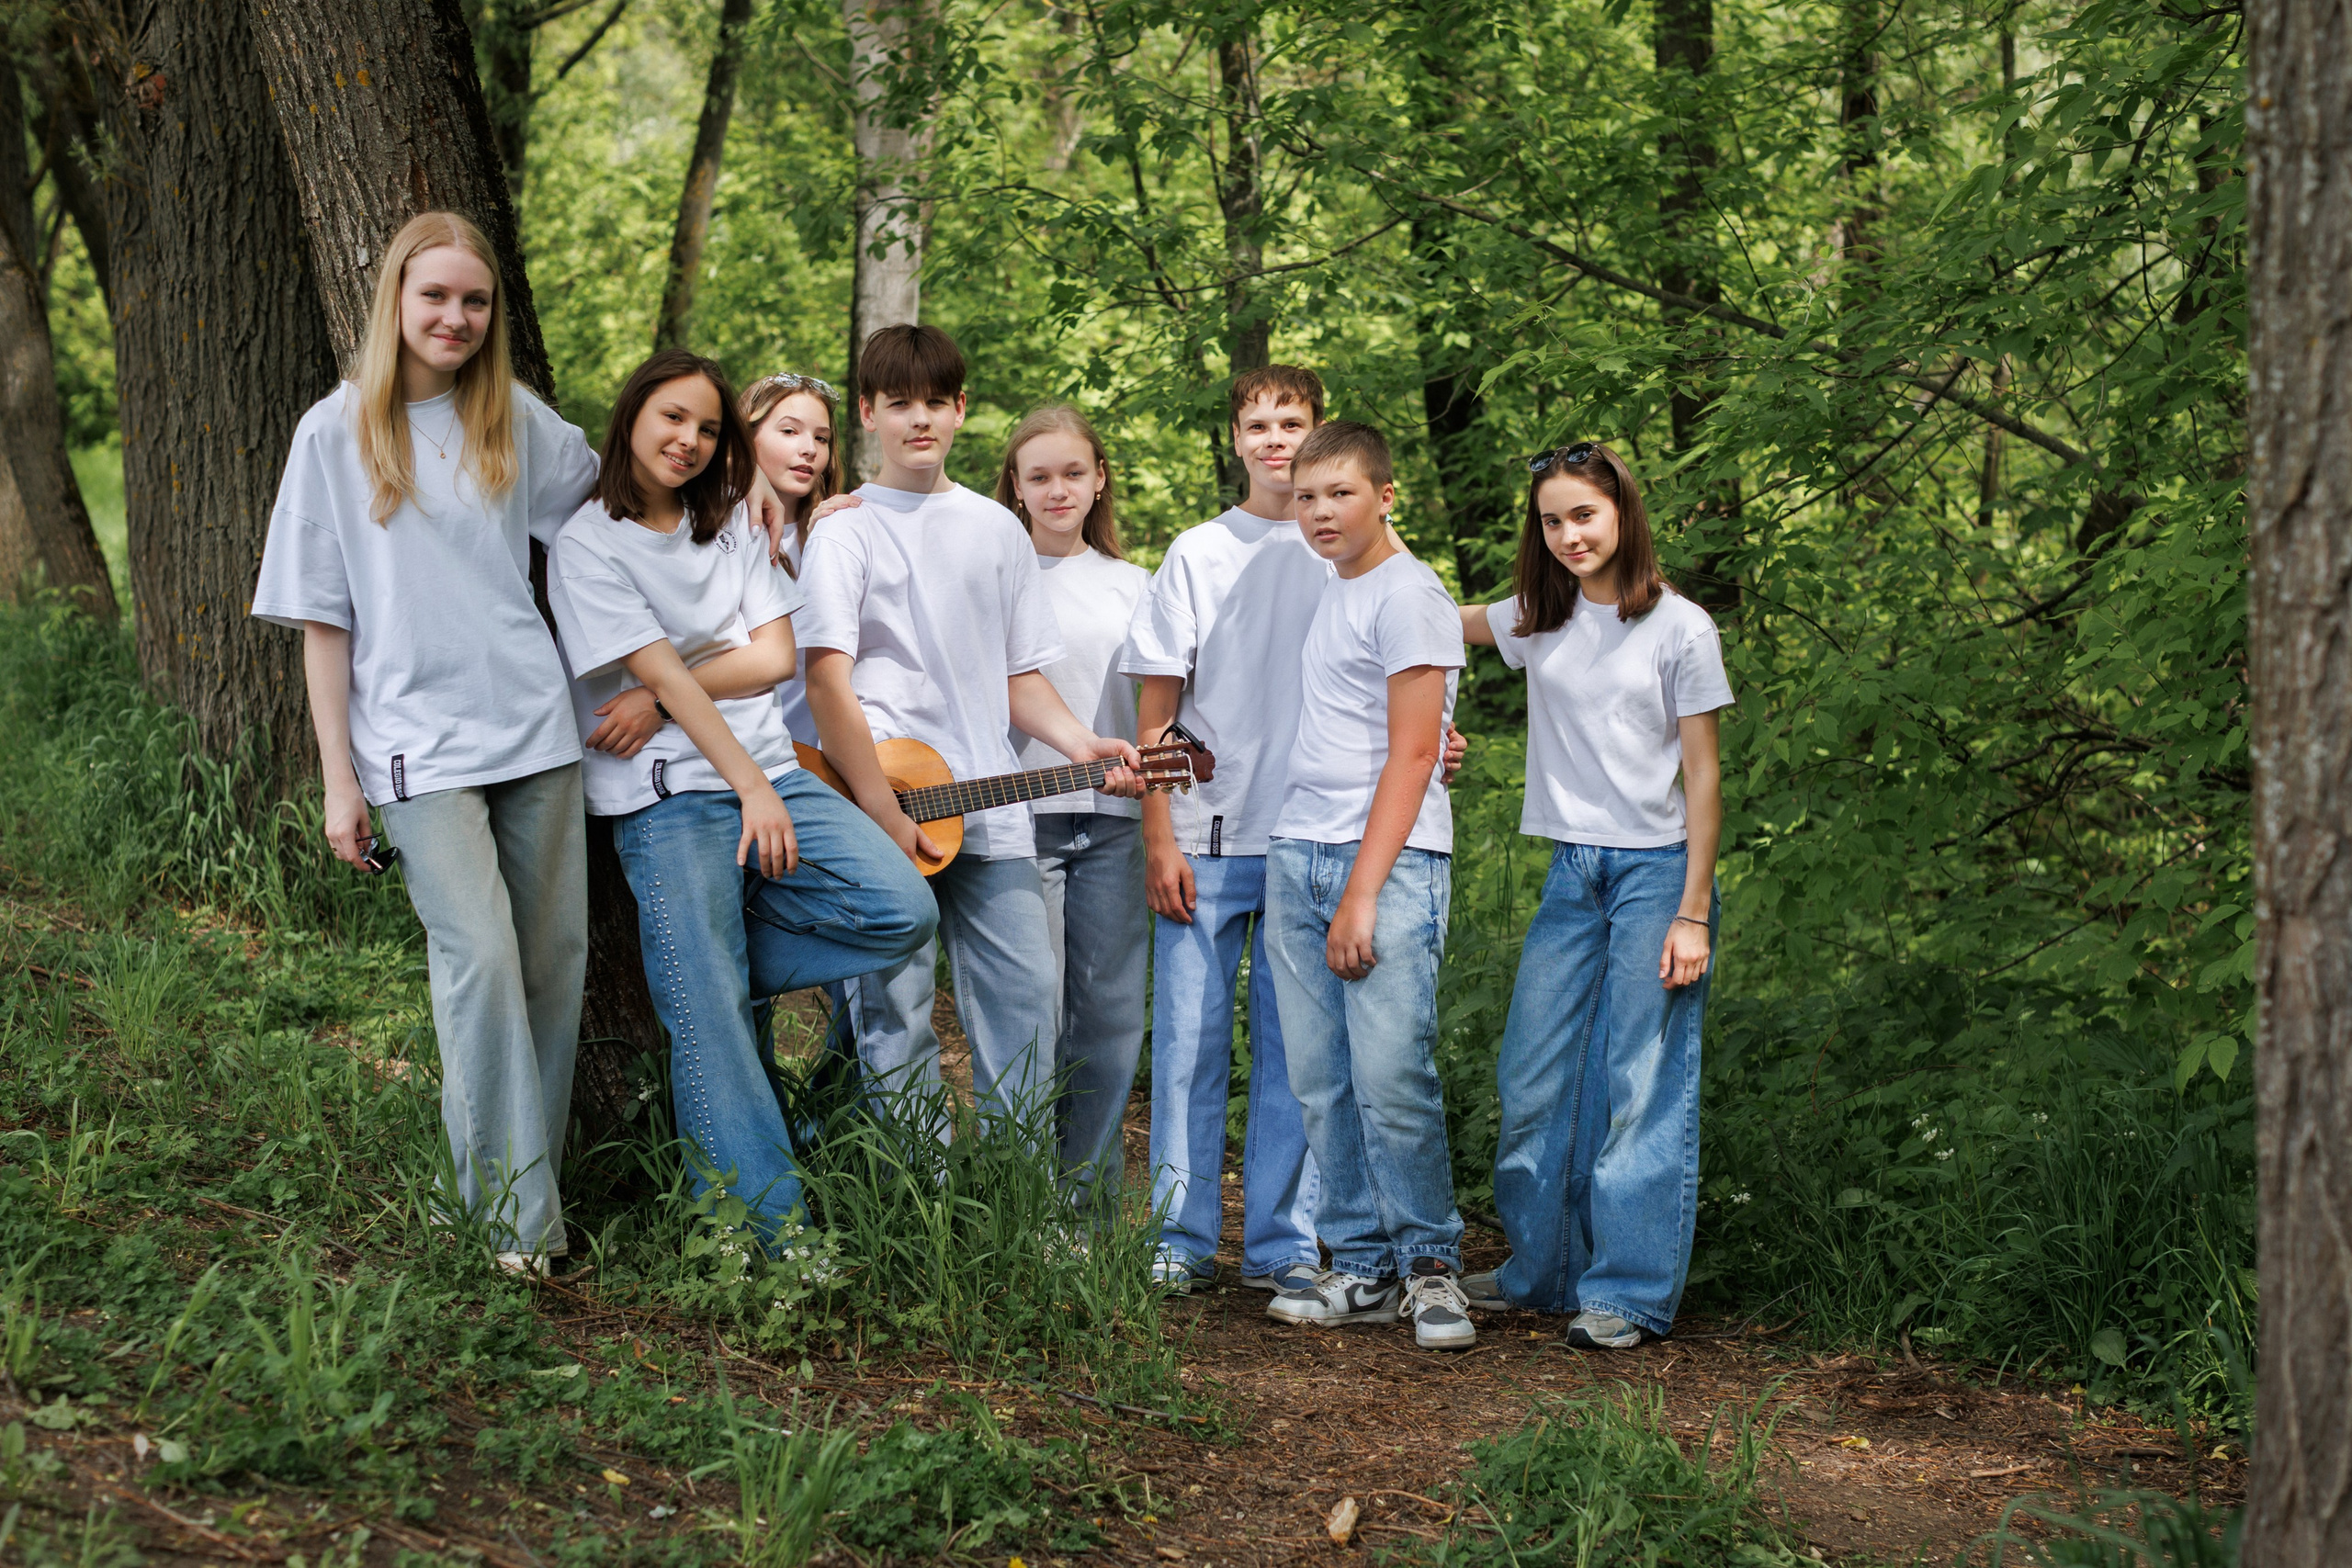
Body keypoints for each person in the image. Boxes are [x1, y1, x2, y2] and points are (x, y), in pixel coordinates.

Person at [252, 210, 597, 1275]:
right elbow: (323, 619)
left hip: (536, 727)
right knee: (481, 961)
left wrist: (771, 498)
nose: (455, 317)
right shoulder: (334, 432)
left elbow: (616, 514)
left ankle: (518, 1198)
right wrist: (336, 780)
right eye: (436, 296)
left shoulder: (514, 418)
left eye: (474, 300)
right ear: (395, 300)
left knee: (551, 965)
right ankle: (509, 1228)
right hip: (413, 745)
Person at [544, 348, 935, 1240]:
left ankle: (693, 972)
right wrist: (739, 773)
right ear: (633, 416)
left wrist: (663, 689)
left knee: (899, 908)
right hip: (669, 799)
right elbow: (692, 675)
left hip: (778, 775)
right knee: (714, 1021)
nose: (687, 440)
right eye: (671, 417)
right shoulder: (588, 543)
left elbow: (773, 658)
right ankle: (770, 1241)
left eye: (708, 427)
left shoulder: (725, 527)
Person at [797, 324, 1142, 1131]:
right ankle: (928, 1212)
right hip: (882, 805)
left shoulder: (996, 529)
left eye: (935, 402)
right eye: (898, 403)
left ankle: (1013, 1218)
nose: (919, 419)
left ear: (961, 409)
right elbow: (825, 680)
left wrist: (1081, 743)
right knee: (896, 1018)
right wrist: (879, 806)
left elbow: (1020, 677)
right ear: (868, 412)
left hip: (992, 809)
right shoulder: (844, 529)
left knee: (1026, 1014)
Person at [1455, 441, 1732, 1350]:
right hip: (1572, 874)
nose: (1569, 533)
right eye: (1551, 520)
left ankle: (1627, 1293)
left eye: (1584, 514)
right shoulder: (1539, 620)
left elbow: (1702, 776)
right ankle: (1543, 1272)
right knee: (1532, 1074)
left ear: (1621, 514)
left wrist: (1692, 910)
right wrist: (1334, 552)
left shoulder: (1681, 627)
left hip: (1656, 874)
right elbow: (1429, 624)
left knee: (1639, 1082)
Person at [1259, 421, 1476, 1353]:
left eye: (1338, 494)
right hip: (1295, 848)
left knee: (1391, 1074)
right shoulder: (1327, 586)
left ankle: (1430, 1266)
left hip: (1381, 862)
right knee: (1320, 1078)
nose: (1318, 514)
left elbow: (1417, 752)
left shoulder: (1409, 595)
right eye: (1305, 497)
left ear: (1385, 496)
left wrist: (1360, 893)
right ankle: (1358, 1264)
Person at [1118, 365, 1330, 1295]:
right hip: (1205, 836)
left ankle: (1284, 1243)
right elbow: (1153, 716)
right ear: (1236, 438)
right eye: (1258, 423)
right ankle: (1181, 1237)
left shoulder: (1346, 551)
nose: (1274, 438)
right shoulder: (1199, 553)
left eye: (1291, 421)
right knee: (1190, 1048)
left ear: (1318, 431)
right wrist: (1157, 838)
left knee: (1295, 1055)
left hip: (1314, 837)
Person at [993, 405, 1151, 1211]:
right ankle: (1021, 1200)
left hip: (1116, 823)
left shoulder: (1137, 586)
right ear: (1016, 489)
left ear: (1099, 481)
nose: (1058, 490)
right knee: (1032, 1017)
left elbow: (1174, 707)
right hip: (1020, 822)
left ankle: (1082, 1204)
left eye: (1073, 474)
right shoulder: (993, 570)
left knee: (1110, 1016)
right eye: (1039, 476)